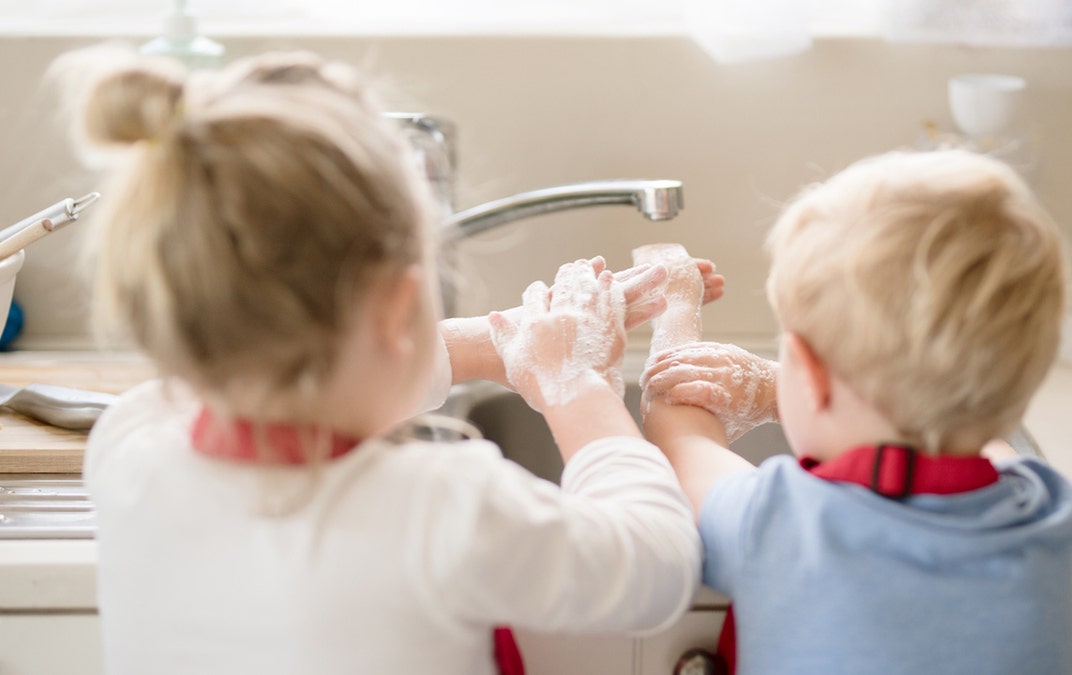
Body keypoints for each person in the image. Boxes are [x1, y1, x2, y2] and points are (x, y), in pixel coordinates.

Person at [68, 47, 720, 674]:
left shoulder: (129, 446)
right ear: (398, 303)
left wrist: (499, 341)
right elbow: (653, 565)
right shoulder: (443, 507)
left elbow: (290, 378)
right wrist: (573, 383)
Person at [639, 150, 1072, 674]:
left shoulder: (784, 523)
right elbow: (971, 425)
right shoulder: (1046, 512)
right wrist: (779, 389)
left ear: (808, 374)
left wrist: (675, 309)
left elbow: (683, 440)